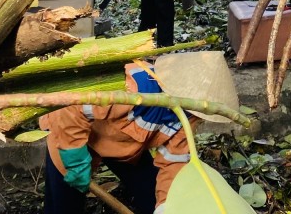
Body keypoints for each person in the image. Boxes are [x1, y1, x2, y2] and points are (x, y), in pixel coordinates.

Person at [41, 51, 239, 214]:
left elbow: (174, 162)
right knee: (64, 204)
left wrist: (164, 207)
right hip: (72, 140)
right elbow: (68, 107)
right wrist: (74, 157)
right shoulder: (134, 87)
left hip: (124, 148)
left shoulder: (186, 119)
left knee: (151, 195)